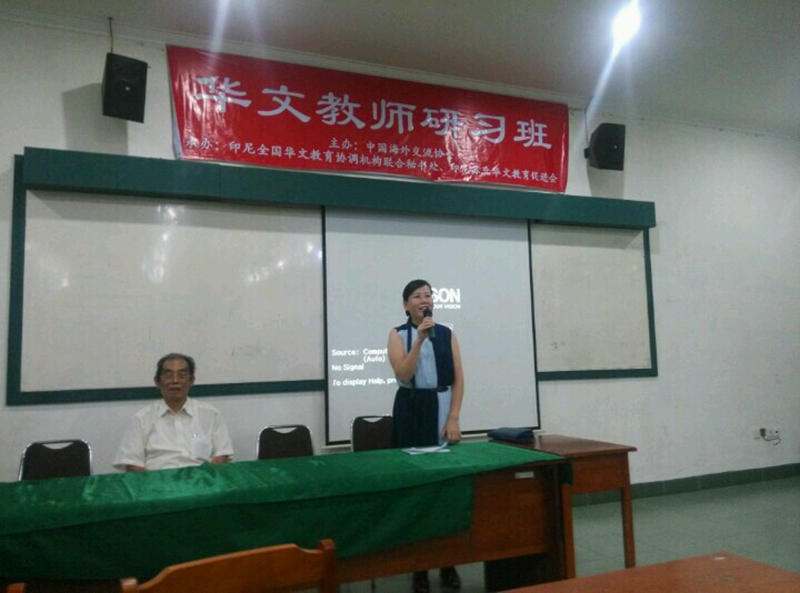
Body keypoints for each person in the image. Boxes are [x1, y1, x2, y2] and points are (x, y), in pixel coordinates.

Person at [387, 279, 464, 592]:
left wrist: (454, 417)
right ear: (406, 306)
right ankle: (419, 567)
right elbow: (403, 374)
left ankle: (448, 563)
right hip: (412, 409)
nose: (424, 300)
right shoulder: (398, 334)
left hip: (442, 408)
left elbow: (459, 379)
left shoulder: (446, 333)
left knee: (446, 488)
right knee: (418, 489)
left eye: (428, 295)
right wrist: (418, 340)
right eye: (417, 296)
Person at [114, 353, 233, 472]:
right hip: (158, 480)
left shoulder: (211, 414)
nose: (175, 381)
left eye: (182, 375)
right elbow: (131, 463)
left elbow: (222, 455)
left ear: (191, 380)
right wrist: (154, 482)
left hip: (200, 479)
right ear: (157, 381)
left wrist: (205, 478)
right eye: (168, 375)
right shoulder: (141, 418)